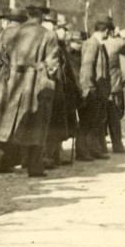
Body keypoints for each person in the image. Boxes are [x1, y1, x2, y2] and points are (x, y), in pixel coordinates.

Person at [0, 3, 59, 177]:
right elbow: (52, 66)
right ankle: (34, 167)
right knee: (36, 125)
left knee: (3, 124)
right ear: (40, 16)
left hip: (9, 83)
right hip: (34, 83)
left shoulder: (8, 33)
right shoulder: (47, 35)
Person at [42, 12, 77, 168]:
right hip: (49, 87)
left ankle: (54, 154)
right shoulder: (47, 40)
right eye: (61, 27)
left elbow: (66, 69)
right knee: (50, 123)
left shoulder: (60, 45)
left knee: (58, 124)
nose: (64, 32)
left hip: (61, 89)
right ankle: (47, 156)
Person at [77, 20, 113, 160]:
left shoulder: (97, 44)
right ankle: (82, 151)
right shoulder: (92, 44)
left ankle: (91, 149)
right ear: (106, 31)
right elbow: (87, 67)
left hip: (98, 90)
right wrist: (88, 88)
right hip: (92, 89)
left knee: (95, 121)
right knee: (87, 122)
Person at [102, 21, 125, 154]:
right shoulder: (116, 43)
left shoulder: (100, 43)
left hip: (101, 85)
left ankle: (101, 146)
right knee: (114, 117)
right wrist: (118, 35)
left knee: (102, 117)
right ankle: (117, 145)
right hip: (114, 85)